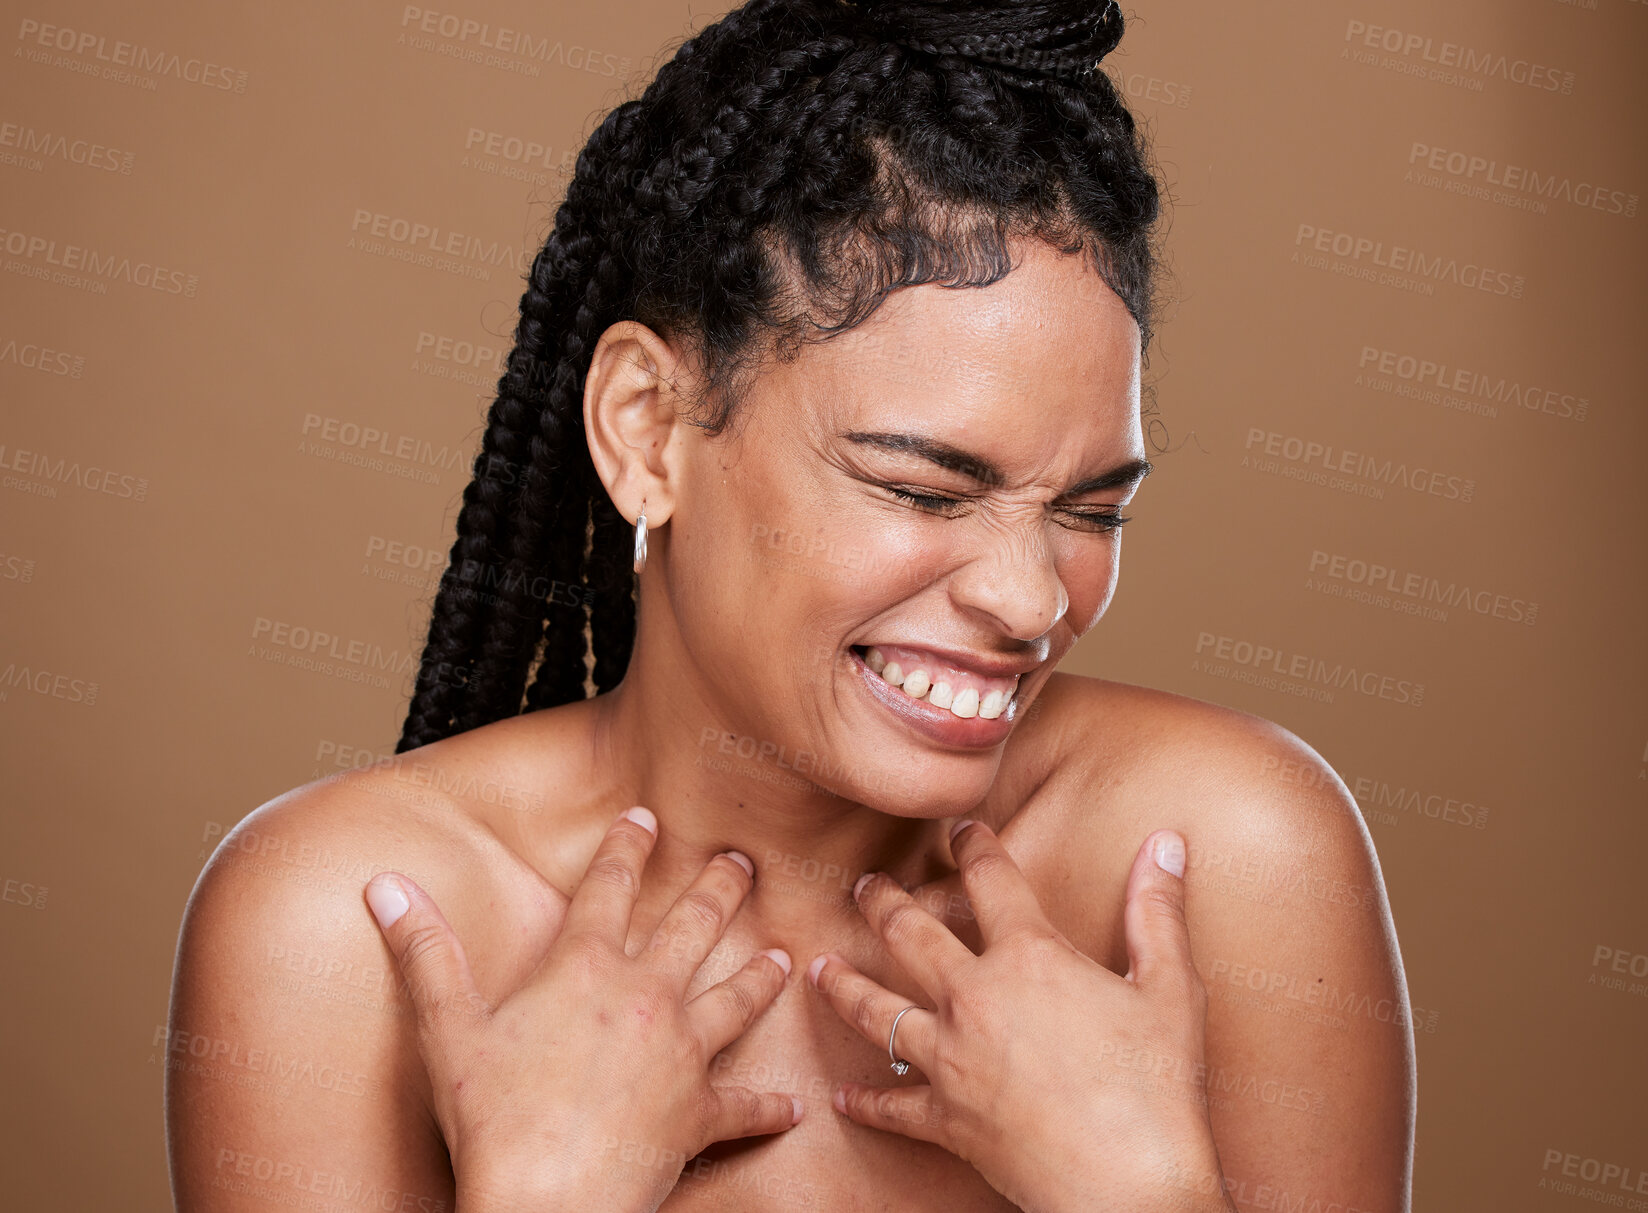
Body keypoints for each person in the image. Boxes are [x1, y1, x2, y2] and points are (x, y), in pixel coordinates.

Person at [165, 0, 1415, 1208]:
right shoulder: (340, 933)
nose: (1033, 597)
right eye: (923, 489)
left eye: (1091, 510)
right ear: (648, 429)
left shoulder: (1226, 861)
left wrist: (1137, 1192)